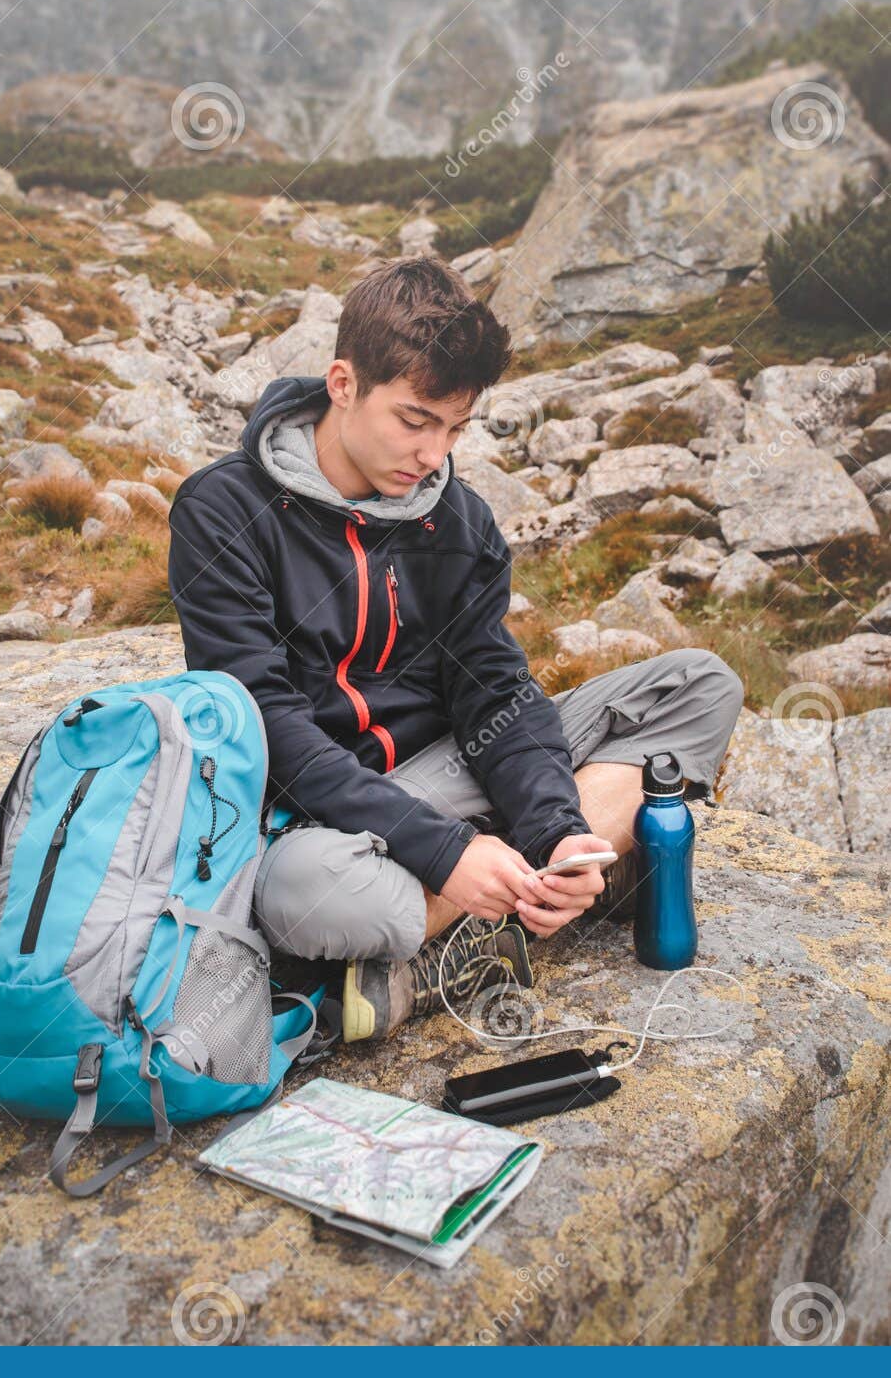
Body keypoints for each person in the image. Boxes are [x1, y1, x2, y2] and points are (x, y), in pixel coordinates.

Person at [168, 258, 744, 1043]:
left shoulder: (459, 521)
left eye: (454, 428)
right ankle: (542, 882)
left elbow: (497, 694)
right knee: (307, 897)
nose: (434, 453)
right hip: (322, 821)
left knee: (700, 683)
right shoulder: (223, 508)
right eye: (414, 420)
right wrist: (441, 851)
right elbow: (266, 725)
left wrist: (552, 824)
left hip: (456, 770)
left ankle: (483, 910)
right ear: (342, 382)